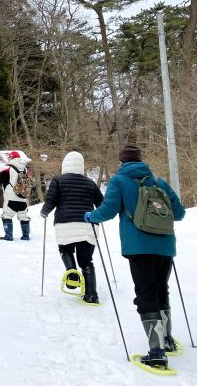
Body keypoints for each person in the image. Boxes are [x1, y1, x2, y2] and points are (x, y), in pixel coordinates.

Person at [84, 145, 186, 370]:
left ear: (122, 162)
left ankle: (157, 352)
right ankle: (167, 340)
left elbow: (108, 211)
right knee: (161, 290)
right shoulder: (159, 182)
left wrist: (91, 216)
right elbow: (179, 214)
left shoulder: (119, 181)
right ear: (141, 160)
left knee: (146, 293)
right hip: (166, 246)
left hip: (138, 246)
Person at [40, 151, 103, 304]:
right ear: (81, 166)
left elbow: (50, 201)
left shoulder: (58, 180)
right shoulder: (90, 183)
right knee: (86, 260)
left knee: (66, 249)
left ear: (65, 164)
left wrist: (44, 212)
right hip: (88, 226)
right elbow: (101, 204)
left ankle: (72, 275)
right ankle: (91, 295)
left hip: (65, 223)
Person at [0, 151, 30, 241]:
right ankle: (26, 236)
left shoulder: (8, 168)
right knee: (23, 216)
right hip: (23, 197)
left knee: (7, 216)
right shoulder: (24, 169)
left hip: (11, 197)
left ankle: (8, 235)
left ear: (11, 158)